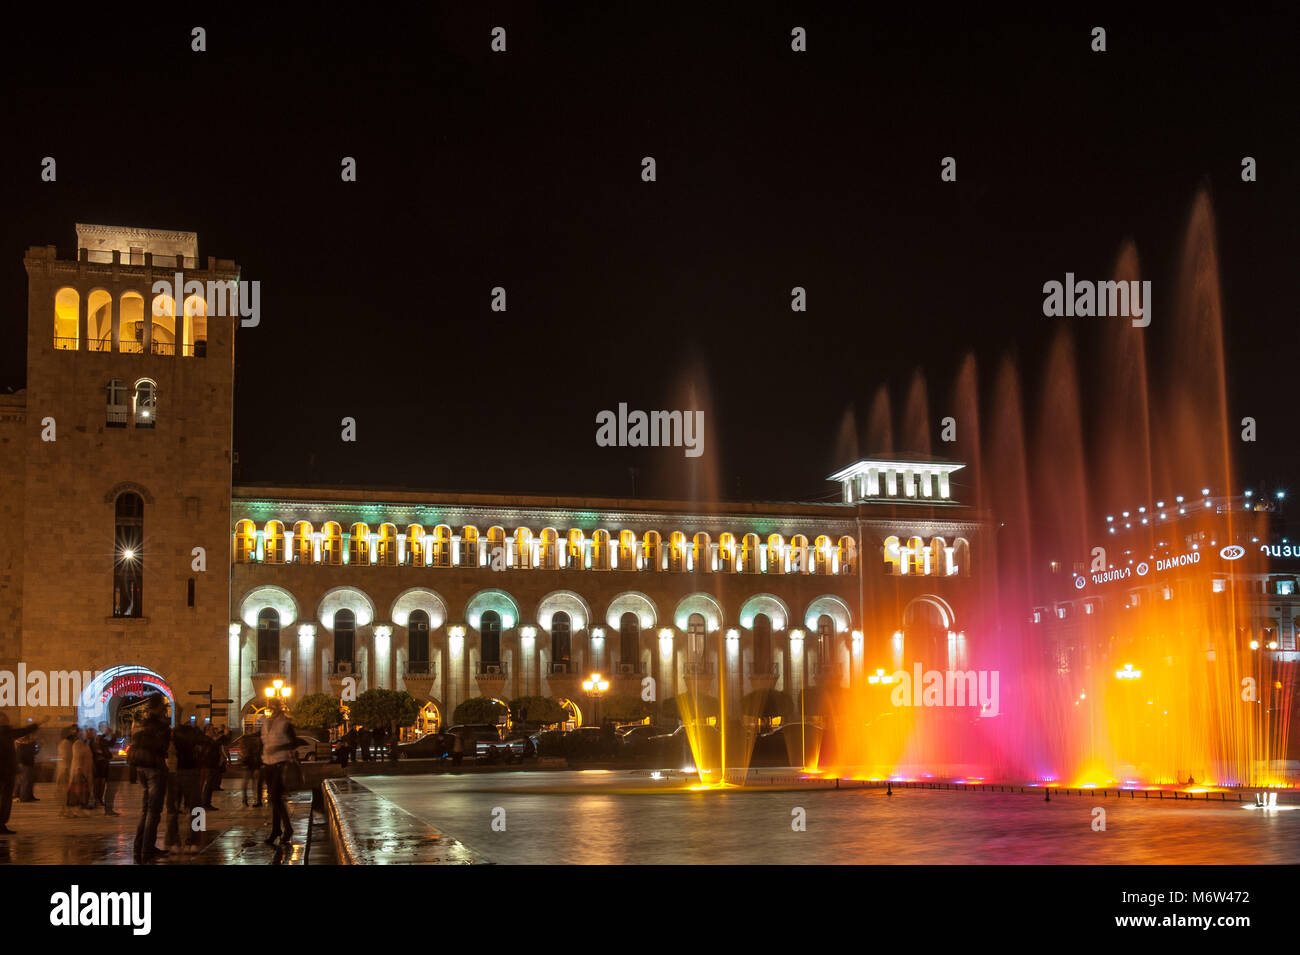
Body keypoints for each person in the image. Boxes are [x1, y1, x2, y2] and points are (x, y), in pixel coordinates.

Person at [129, 694, 172, 864]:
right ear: (159, 706)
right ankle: (147, 849)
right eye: (162, 705)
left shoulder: (139, 723)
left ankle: (139, 846)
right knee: (154, 811)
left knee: (146, 809)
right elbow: (163, 747)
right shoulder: (160, 725)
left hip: (141, 768)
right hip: (155, 767)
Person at [261, 700, 298, 846]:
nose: (271, 711)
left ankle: (287, 829)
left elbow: (295, 742)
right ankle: (276, 830)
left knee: (275, 797)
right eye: (270, 708)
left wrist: (278, 748)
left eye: (274, 708)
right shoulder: (265, 723)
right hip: (268, 764)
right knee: (273, 799)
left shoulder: (286, 724)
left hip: (280, 764)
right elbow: (262, 742)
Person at [164, 719, 203, 854]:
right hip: (191, 772)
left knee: (172, 809)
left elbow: (169, 755)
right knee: (197, 809)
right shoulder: (195, 742)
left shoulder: (172, 741)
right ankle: (195, 841)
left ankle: (173, 842)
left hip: (174, 773)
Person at [0, 714, 43, 834]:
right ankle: (1, 824)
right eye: (5, 719)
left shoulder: (8, 732)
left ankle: (1, 824)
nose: (8, 721)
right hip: (6, 771)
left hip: (6, 771)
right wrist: (38, 723)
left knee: (5, 798)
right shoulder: (6, 732)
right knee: (5, 799)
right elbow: (24, 730)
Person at [90, 723, 117, 814]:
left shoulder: (101, 740)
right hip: (97, 764)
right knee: (98, 782)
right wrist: (107, 734)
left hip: (103, 763)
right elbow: (101, 741)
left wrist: (113, 736)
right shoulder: (96, 739)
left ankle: (99, 799)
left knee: (102, 782)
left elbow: (110, 744)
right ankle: (97, 799)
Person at [15, 729, 39, 803]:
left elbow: (35, 752)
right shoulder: (22, 744)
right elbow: (34, 752)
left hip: (27, 764)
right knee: (26, 781)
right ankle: (24, 797)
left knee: (29, 781)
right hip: (25, 764)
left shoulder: (23, 744)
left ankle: (29, 796)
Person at [240, 730, 264, 807]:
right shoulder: (254, 744)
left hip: (252, 766)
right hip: (251, 766)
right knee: (253, 784)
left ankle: (252, 799)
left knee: (252, 784)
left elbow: (257, 756)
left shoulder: (256, 745)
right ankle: (251, 799)